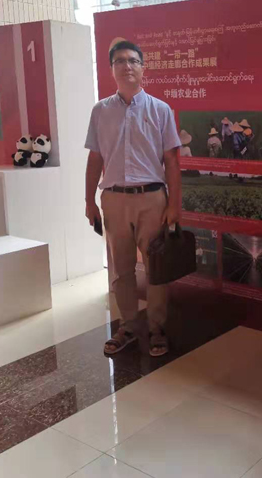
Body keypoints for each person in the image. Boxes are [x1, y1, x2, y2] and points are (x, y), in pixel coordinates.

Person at [85, 40, 182, 358]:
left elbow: (172, 161)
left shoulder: (160, 110)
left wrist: (174, 204)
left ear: (143, 68)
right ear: (111, 69)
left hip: (152, 200)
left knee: (156, 268)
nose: (126, 66)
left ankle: (157, 329)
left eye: (132, 60)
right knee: (121, 269)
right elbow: (95, 158)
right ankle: (127, 326)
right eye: (119, 61)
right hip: (114, 200)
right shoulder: (100, 111)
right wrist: (89, 200)